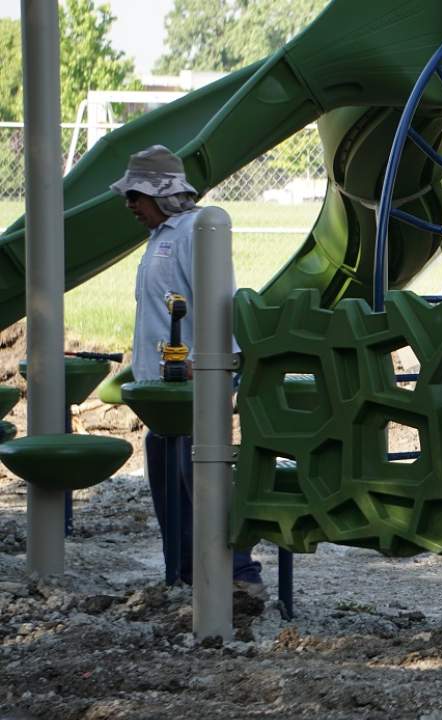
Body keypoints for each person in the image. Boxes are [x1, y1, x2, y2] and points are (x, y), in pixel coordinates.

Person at [110, 145, 263, 595]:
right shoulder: (161, 237)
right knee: (165, 476)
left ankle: (238, 575)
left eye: (135, 195)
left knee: (202, 477)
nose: (130, 205)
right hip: (163, 388)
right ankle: (183, 574)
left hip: (193, 381)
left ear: (159, 193)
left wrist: (206, 362)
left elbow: (218, 300)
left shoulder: (197, 230)